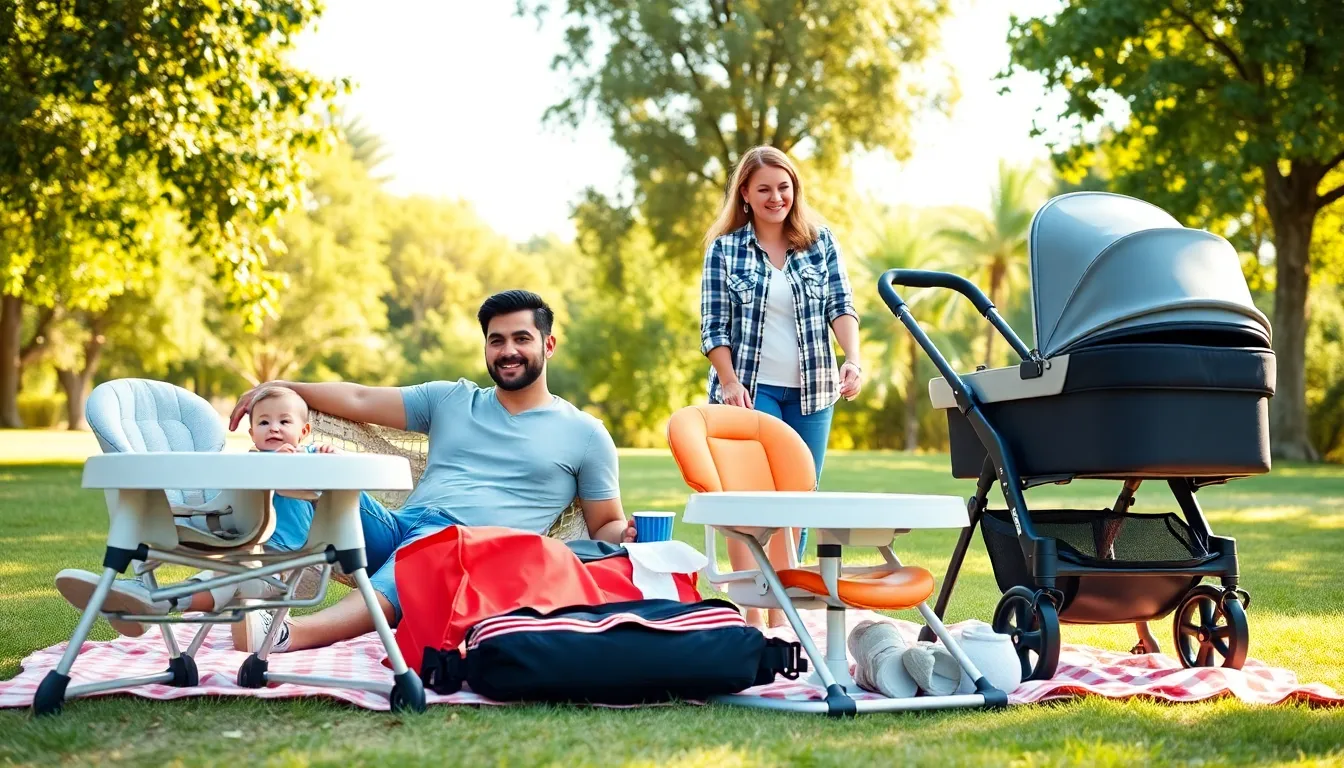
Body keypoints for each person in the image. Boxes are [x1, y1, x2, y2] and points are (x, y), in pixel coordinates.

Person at [218, 289, 637, 653]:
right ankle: (263, 589)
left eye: (521, 338)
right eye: (496, 340)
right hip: (400, 528)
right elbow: (361, 398)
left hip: (469, 551)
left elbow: (606, 525)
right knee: (309, 470)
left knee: (425, 556)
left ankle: (290, 635)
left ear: (549, 345)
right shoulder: (450, 400)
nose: (508, 350)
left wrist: (629, 534)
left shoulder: (585, 434)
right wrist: (283, 390)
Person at [699, 145, 864, 628]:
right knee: (750, 503)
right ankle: (752, 617)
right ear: (745, 195)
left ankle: (785, 618)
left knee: (796, 502)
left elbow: (841, 304)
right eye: (765, 189)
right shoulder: (725, 249)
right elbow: (714, 327)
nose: (777, 197)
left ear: (795, 190)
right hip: (749, 390)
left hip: (812, 391)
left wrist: (852, 360)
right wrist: (728, 383)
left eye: (784, 187)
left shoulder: (820, 241)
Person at [52, 384, 362, 637]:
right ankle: (154, 601)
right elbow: (252, 488)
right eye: (264, 422)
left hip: (301, 561)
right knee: (224, 578)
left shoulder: (312, 456)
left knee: (229, 578)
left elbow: (343, 480)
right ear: (252, 433)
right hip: (250, 552)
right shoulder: (252, 460)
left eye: (284, 421)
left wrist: (330, 456)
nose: (274, 429)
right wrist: (275, 462)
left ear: (305, 431)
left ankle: (153, 600)